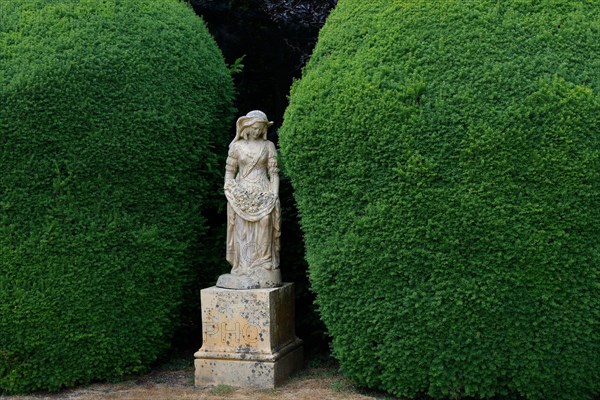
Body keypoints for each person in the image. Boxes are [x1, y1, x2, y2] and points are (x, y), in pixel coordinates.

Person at [216, 110, 282, 289]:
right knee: (241, 228)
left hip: (263, 190)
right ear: (246, 126)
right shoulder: (236, 147)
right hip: (241, 192)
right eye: (254, 128)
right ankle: (244, 267)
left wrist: (274, 194)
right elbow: (229, 174)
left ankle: (264, 264)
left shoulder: (269, 146)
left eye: (260, 129)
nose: (257, 132)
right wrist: (231, 191)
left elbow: (274, 174)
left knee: (266, 220)